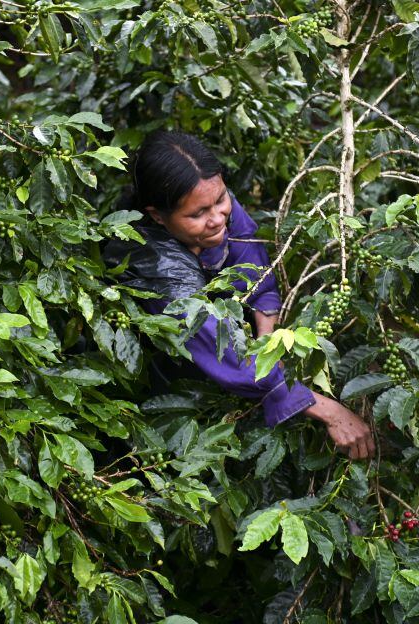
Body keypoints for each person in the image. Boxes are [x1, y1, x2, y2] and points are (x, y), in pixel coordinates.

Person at [103, 130, 375, 460]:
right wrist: (325, 409)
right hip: (163, 382)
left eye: (220, 200)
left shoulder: (209, 198)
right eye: (197, 214)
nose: (217, 218)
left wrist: (267, 339)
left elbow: (250, 256)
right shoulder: (162, 272)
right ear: (158, 216)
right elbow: (222, 350)